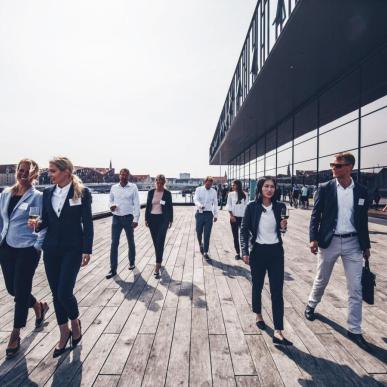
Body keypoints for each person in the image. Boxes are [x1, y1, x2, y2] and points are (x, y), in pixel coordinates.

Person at [305, 152, 371, 349]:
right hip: (329, 241)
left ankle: (354, 330)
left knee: (355, 288)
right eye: (333, 164)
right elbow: (315, 215)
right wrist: (312, 238)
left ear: (350, 168)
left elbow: (363, 221)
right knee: (322, 279)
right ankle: (311, 304)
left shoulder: (361, 191)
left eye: (338, 165)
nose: (334, 167)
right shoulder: (325, 188)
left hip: (353, 244)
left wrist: (366, 245)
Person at [33, 156, 94, 357]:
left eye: (52, 171)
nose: (49, 174)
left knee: (64, 292)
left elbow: (88, 223)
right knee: (55, 293)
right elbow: (46, 221)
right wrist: (37, 224)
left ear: (66, 171)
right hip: (51, 249)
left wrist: (87, 249)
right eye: (49, 171)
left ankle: (75, 323)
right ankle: (63, 333)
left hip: (73, 249)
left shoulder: (82, 192)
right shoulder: (47, 193)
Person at [0, 159, 49, 359]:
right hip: (6, 247)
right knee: (13, 289)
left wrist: (37, 245)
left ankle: (16, 332)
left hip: (27, 249)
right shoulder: (5, 194)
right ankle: (38, 306)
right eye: (20, 170)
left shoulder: (37, 196)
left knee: (20, 291)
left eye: (27, 172)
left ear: (34, 175)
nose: (22, 174)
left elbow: (43, 223)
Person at [240, 177, 292, 345]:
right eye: (266, 186)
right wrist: (244, 251)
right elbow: (244, 230)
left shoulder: (280, 207)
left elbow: (282, 229)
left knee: (277, 291)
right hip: (258, 252)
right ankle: (258, 314)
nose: (269, 189)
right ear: (260, 189)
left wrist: (283, 227)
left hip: (276, 252)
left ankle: (278, 331)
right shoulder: (251, 207)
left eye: (272, 187)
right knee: (258, 285)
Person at [106, 168, 140, 279]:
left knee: (131, 241)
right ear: (119, 175)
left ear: (128, 176)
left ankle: (131, 263)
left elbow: (136, 203)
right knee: (114, 243)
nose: (123, 176)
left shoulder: (133, 187)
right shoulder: (114, 187)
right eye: (122, 174)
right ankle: (113, 269)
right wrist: (111, 206)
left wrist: (136, 219)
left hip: (129, 218)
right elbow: (110, 200)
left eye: (126, 175)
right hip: (116, 218)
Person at [145, 174, 173, 278]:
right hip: (152, 219)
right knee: (155, 242)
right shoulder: (151, 192)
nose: (159, 184)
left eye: (161, 183)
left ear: (164, 183)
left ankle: (157, 265)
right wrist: (146, 219)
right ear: (155, 182)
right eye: (158, 182)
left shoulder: (167, 193)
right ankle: (159, 260)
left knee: (160, 241)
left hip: (163, 219)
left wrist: (170, 220)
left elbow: (170, 207)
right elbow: (148, 206)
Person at [194, 176, 218, 260]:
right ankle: (200, 244)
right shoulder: (198, 189)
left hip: (208, 214)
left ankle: (205, 252)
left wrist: (215, 215)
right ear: (205, 182)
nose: (209, 186)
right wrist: (200, 205)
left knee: (207, 234)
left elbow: (215, 203)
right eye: (208, 184)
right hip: (199, 213)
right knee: (198, 231)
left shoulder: (214, 191)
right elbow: (195, 199)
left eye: (211, 184)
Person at [226, 180, 247, 260]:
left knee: (244, 236)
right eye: (232, 185)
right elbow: (228, 205)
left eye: (234, 185)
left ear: (238, 185)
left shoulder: (245, 194)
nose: (232, 186)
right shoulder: (230, 194)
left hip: (243, 218)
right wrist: (231, 215)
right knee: (235, 236)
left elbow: (246, 207)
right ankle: (238, 253)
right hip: (233, 218)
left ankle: (245, 253)